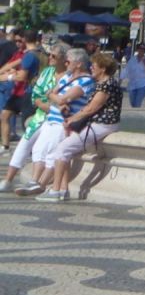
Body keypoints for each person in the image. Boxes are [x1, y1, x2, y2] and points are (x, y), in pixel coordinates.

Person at [11, 47, 95, 196]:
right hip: (51, 119)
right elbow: (52, 93)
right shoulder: (66, 77)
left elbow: (61, 97)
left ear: (79, 64)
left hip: (63, 122)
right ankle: (35, 181)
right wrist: (56, 97)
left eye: (68, 61)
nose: (66, 63)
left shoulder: (86, 81)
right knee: (39, 149)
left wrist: (56, 98)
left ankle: (41, 184)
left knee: (52, 153)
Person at [43, 50, 124, 201]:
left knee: (62, 149)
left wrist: (72, 119)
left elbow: (92, 108)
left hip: (102, 124)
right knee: (66, 150)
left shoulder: (107, 85)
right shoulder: (104, 83)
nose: (91, 67)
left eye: (94, 65)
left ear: (103, 68)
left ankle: (55, 191)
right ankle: (63, 189)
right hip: (98, 124)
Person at [1, 42, 64, 192]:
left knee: (41, 149)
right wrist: (45, 105)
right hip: (41, 115)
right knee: (24, 143)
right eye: (50, 55)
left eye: (54, 56)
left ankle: (35, 181)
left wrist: (50, 103)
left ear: (64, 59)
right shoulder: (47, 72)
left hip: (57, 119)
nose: (50, 58)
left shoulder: (68, 76)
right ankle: (7, 180)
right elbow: (36, 92)